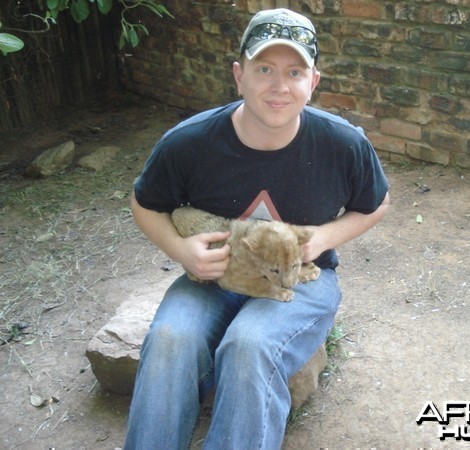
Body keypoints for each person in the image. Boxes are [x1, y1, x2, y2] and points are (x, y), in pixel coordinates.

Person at [124, 8, 389, 449]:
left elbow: (376, 204)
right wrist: (182, 251)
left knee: (249, 345)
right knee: (170, 339)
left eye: (294, 71)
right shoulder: (189, 142)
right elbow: (144, 203)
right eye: (263, 68)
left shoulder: (342, 143)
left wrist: (319, 239)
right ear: (238, 75)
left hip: (301, 281)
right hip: (213, 280)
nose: (279, 85)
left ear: (314, 81)